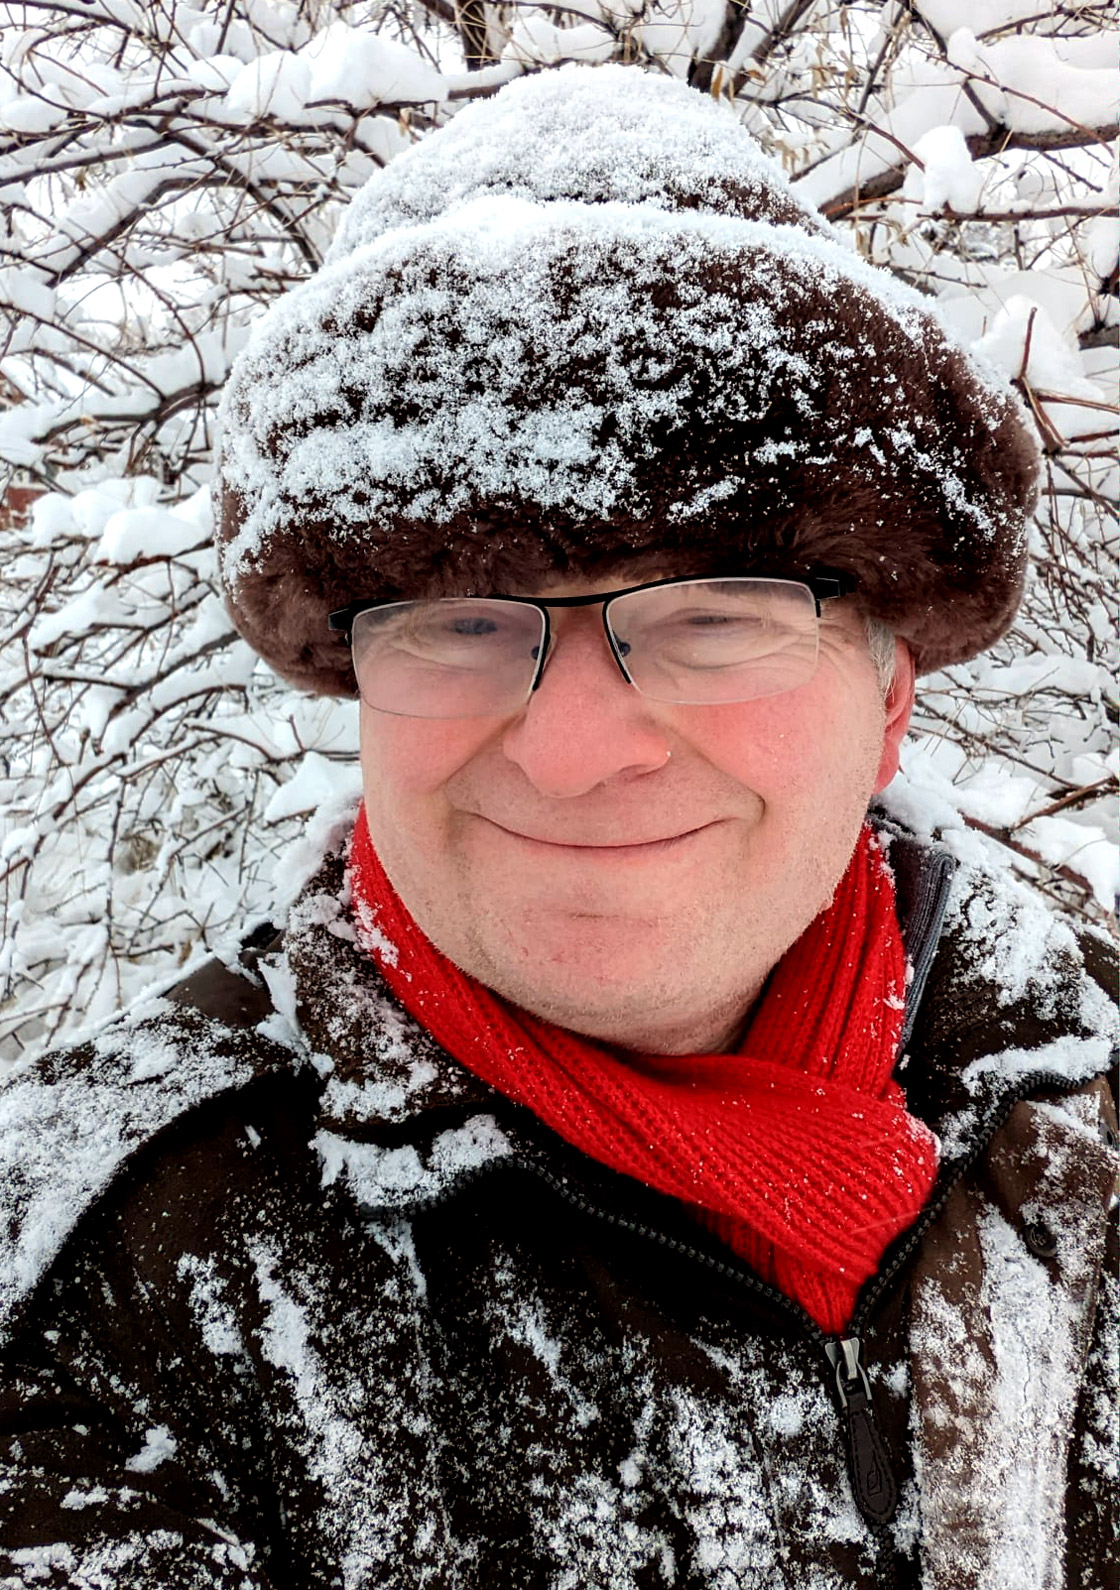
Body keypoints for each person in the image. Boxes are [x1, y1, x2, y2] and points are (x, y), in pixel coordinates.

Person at [1, 65, 1115, 1590]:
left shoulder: (1080, 1120)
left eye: (719, 612)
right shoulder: (104, 1282)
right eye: (464, 621)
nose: (577, 748)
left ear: (891, 692)